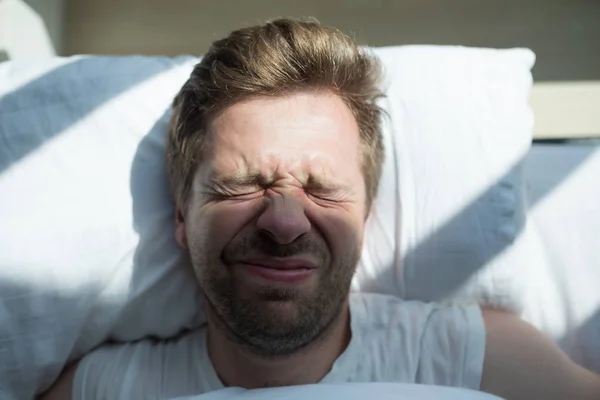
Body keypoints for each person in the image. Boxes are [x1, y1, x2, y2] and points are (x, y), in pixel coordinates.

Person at [42, 18, 600, 400]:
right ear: (183, 219)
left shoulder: (470, 358)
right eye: (242, 184)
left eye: (324, 188)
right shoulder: (109, 388)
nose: (285, 224)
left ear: (366, 214)